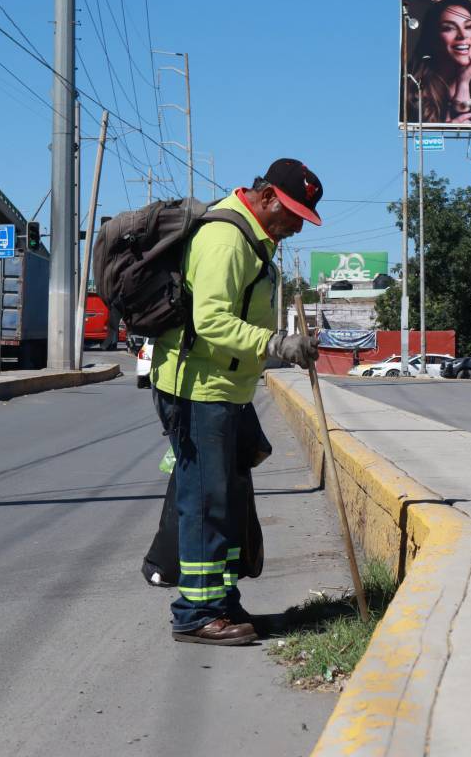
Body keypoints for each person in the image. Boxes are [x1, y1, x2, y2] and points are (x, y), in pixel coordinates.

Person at [150, 158, 323, 646]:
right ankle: (195, 614)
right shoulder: (226, 240)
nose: (295, 227)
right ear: (266, 197)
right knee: (205, 503)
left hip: (224, 391)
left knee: (225, 503)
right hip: (198, 391)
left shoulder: (253, 240)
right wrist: (275, 344)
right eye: (292, 215)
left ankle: (221, 601)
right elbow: (212, 322)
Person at [407, 0, 471, 125]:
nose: (462, 35)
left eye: (469, 26)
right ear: (433, 37)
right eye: (449, 28)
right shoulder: (412, 89)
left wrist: (463, 82)